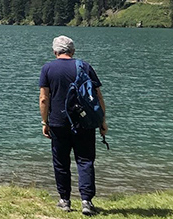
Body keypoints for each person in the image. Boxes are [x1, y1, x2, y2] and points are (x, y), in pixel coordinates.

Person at [39, 35, 108, 216]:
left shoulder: (48, 68)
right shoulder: (85, 66)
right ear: (73, 50)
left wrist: (44, 121)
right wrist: (102, 121)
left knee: (61, 162)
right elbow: (98, 96)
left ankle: (65, 201)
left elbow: (44, 99)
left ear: (55, 51)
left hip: (58, 122)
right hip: (84, 122)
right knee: (85, 160)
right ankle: (86, 201)